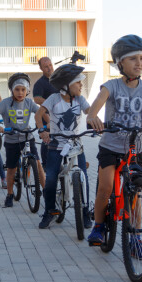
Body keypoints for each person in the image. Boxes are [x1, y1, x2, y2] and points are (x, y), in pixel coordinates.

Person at [87, 35, 142, 248]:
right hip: (110, 146)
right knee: (106, 188)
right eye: (133, 58)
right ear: (120, 64)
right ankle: (99, 226)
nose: (139, 63)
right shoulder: (111, 86)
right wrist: (92, 116)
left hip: (135, 148)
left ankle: (135, 237)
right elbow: (98, 103)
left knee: (137, 192)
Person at [35, 64, 92, 229]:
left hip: (75, 144)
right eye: (78, 82)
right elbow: (39, 115)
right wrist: (41, 131)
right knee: (51, 177)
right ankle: (49, 211)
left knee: (84, 177)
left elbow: (91, 112)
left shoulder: (80, 99)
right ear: (66, 86)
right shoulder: (54, 98)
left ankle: (86, 210)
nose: (81, 85)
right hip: (56, 144)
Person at [0, 73, 41, 208]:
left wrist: (47, 126)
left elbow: (41, 113)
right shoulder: (6, 103)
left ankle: (45, 190)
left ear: (27, 91)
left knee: (37, 163)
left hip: (27, 136)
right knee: (11, 168)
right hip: (12, 139)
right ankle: (10, 194)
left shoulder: (29, 102)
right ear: (12, 90)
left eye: (23, 90)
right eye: (17, 89)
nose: (20, 93)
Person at [33, 56, 59, 184]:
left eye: (50, 65)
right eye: (46, 66)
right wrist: (51, 103)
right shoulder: (40, 83)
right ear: (41, 68)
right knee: (47, 141)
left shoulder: (58, 80)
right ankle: (45, 165)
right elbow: (37, 98)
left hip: (60, 118)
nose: (49, 68)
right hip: (45, 117)